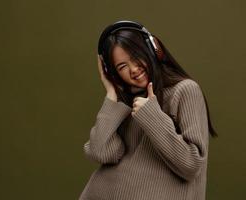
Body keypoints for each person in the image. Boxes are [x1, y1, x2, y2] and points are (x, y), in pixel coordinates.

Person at [79, 20, 218, 200]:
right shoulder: (125, 102)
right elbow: (102, 152)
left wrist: (151, 116)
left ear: (153, 49)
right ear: (112, 73)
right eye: (122, 67)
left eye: (136, 56)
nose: (134, 69)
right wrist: (111, 94)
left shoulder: (185, 91)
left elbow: (191, 165)